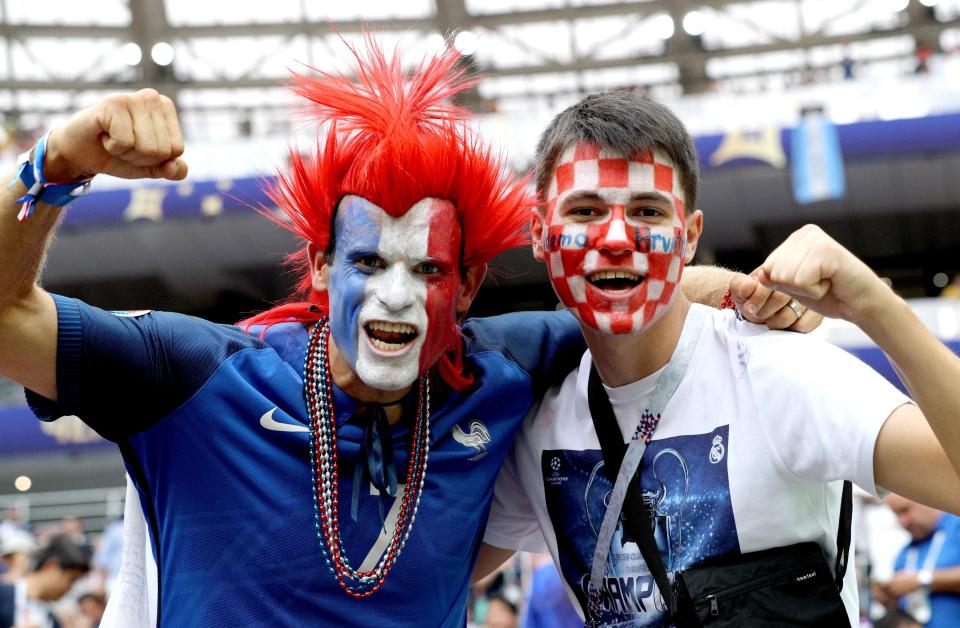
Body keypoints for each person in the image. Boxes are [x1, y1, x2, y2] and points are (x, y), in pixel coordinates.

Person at [0, 39, 801, 627]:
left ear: (468, 286)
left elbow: (617, 301)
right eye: (369, 262)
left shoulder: (501, 368)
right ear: (319, 267)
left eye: (429, 271)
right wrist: (55, 163)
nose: (398, 298)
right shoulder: (196, 373)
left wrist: (738, 292)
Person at [478, 91, 960, 626]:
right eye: (586, 211)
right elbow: (424, 575)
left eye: (648, 211)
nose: (616, 238)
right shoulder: (537, 422)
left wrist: (873, 306)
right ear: (540, 235)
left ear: (688, 237)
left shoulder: (778, 372)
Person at [873, 494, 960, 627]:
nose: (903, 521)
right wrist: (889, 599)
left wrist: (923, 580)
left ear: (926, 500)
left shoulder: (956, 527)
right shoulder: (905, 553)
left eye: (905, 510)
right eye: (896, 514)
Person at [0, 535, 90, 628]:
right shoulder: (2, 595)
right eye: (71, 579)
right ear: (52, 566)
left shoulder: (53, 621)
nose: (70, 588)